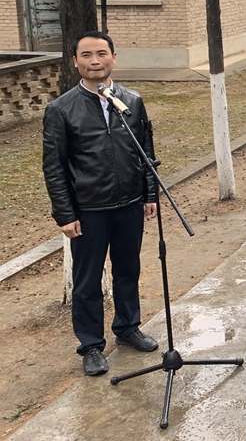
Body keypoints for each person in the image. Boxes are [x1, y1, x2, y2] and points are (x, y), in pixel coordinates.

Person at [42, 31, 160, 376]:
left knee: (128, 270)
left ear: (113, 57)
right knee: (87, 280)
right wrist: (65, 214)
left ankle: (128, 327)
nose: (95, 61)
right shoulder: (61, 109)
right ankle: (91, 345)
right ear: (75, 61)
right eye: (87, 55)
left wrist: (149, 194)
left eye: (102, 54)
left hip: (130, 204)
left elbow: (145, 152)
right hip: (88, 210)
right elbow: (54, 166)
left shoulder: (131, 100)